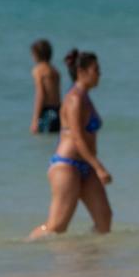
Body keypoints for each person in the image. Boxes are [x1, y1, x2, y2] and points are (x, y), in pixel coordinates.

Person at [29, 50, 112, 239]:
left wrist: (93, 166)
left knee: (104, 219)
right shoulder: (74, 99)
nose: (100, 74)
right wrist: (99, 168)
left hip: (85, 164)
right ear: (82, 72)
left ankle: (89, 259)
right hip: (67, 165)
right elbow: (77, 138)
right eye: (96, 70)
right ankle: (27, 247)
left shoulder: (85, 97)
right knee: (57, 226)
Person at [29, 39, 62, 134]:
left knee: (43, 140)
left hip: (47, 112)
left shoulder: (38, 70)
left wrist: (35, 119)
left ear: (36, 55)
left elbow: (40, 94)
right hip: (58, 110)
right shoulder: (55, 71)